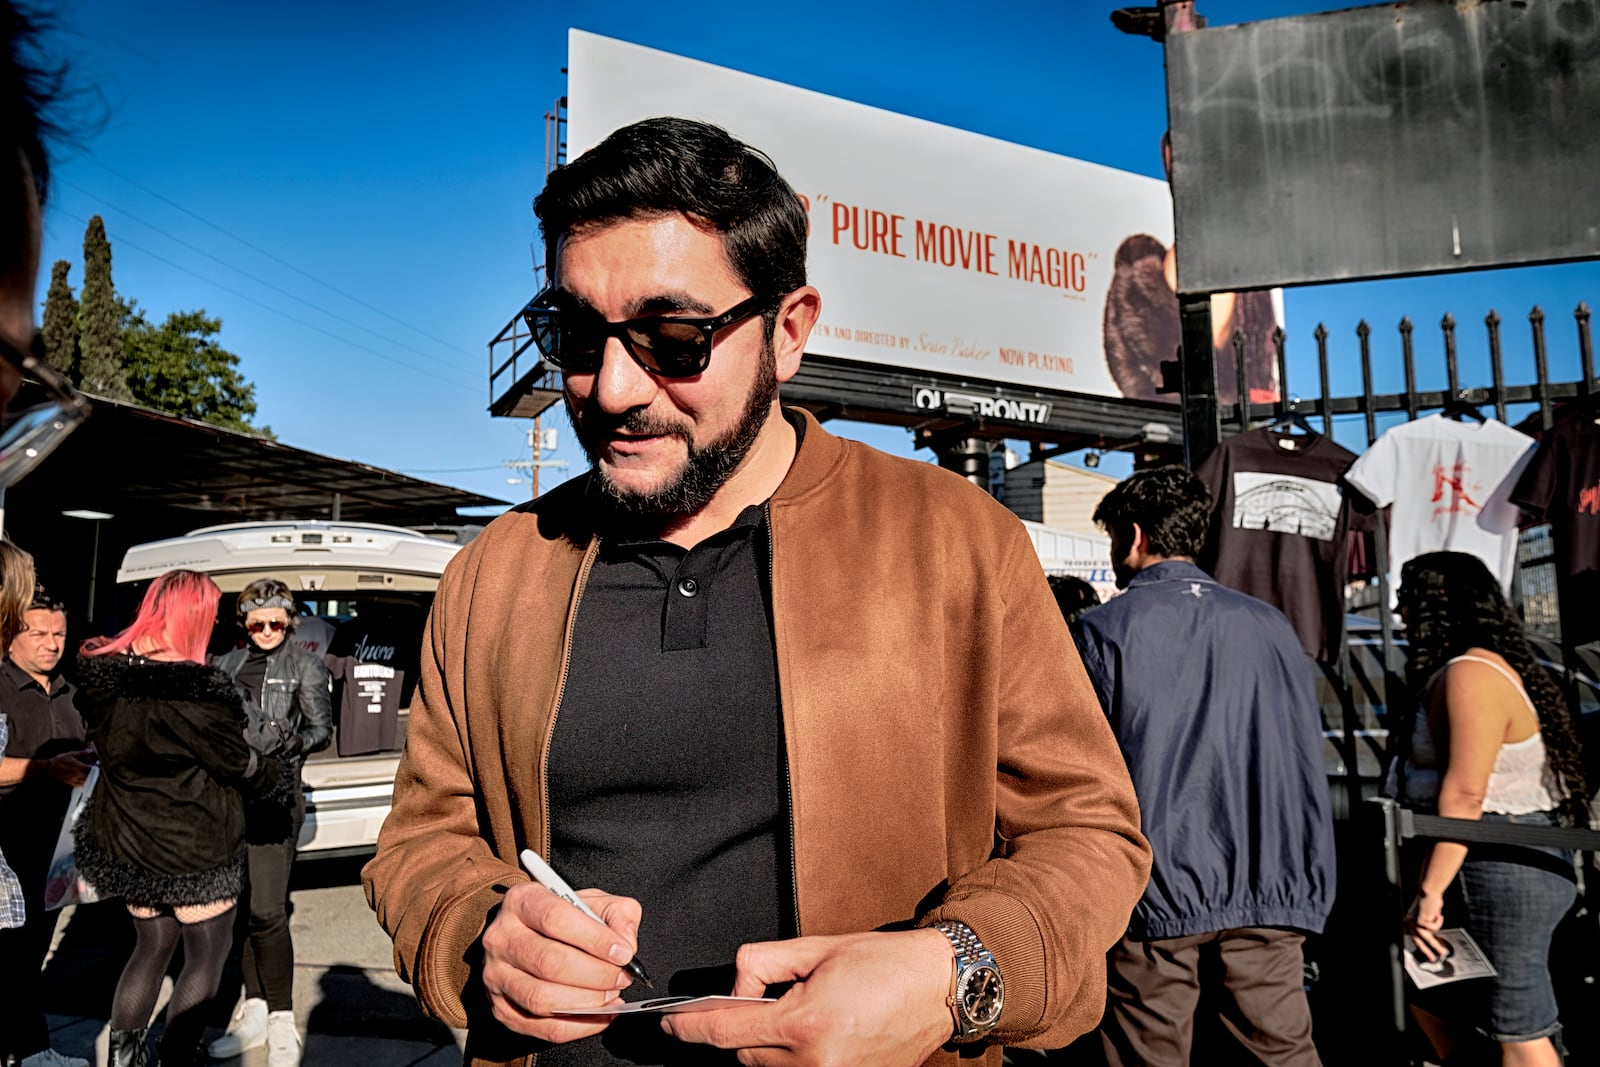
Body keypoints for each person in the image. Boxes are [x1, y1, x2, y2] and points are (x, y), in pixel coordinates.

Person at [363, 116, 1150, 1067]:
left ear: (788, 331)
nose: (611, 388)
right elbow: (421, 842)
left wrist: (955, 974)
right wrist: (475, 931)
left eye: (673, 337)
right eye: (575, 333)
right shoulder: (496, 572)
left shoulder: (954, 540)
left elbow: (1088, 832)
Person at [1071, 466, 1335, 1067]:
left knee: (1148, 1052)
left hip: (1157, 884)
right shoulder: (1271, 626)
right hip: (1271, 880)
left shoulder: (1105, 630)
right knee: (1283, 1050)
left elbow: (1083, 765)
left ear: (1134, 536)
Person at [73, 570, 291, 1067]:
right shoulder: (198, 692)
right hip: (196, 847)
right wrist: (273, 771)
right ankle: (177, 1056)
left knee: (148, 952)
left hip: (130, 840)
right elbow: (240, 765)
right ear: (193, 617)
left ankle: (123, 1060)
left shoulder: (104, 679)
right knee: (205, 956)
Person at [1393, 551, 1590, 1067]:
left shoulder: (1472, 674)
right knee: (1434, 1000)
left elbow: (1466, 795)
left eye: (1406, 599)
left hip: (1500, 869)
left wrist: (1429, 894)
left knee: (1519, 1030)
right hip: (1484, 864)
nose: (1399, 614)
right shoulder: (1462, 670)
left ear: (1439, 604)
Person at [209, 579, 332, 1067]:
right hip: (228, 801)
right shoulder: (226, 665)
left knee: (267, 911)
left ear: (289, 621)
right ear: (244, 624)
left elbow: (321, 730)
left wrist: (282, 742)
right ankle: (254, 1008)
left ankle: (281, 1017)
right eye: (256, 622)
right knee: (243, 912)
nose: (266, 630)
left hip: (276, 798)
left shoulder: (305, 665)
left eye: (276, 622)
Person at [0, 593, 92, 1067]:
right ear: (11, 635)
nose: (52, 644)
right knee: (8, 957)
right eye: (39, 633)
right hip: (7, 846)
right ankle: (29, 1048)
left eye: (58, 633)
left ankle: (28, 1048)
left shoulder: (73, 691)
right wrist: (45, 769)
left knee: (29, 956)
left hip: (59, 848)